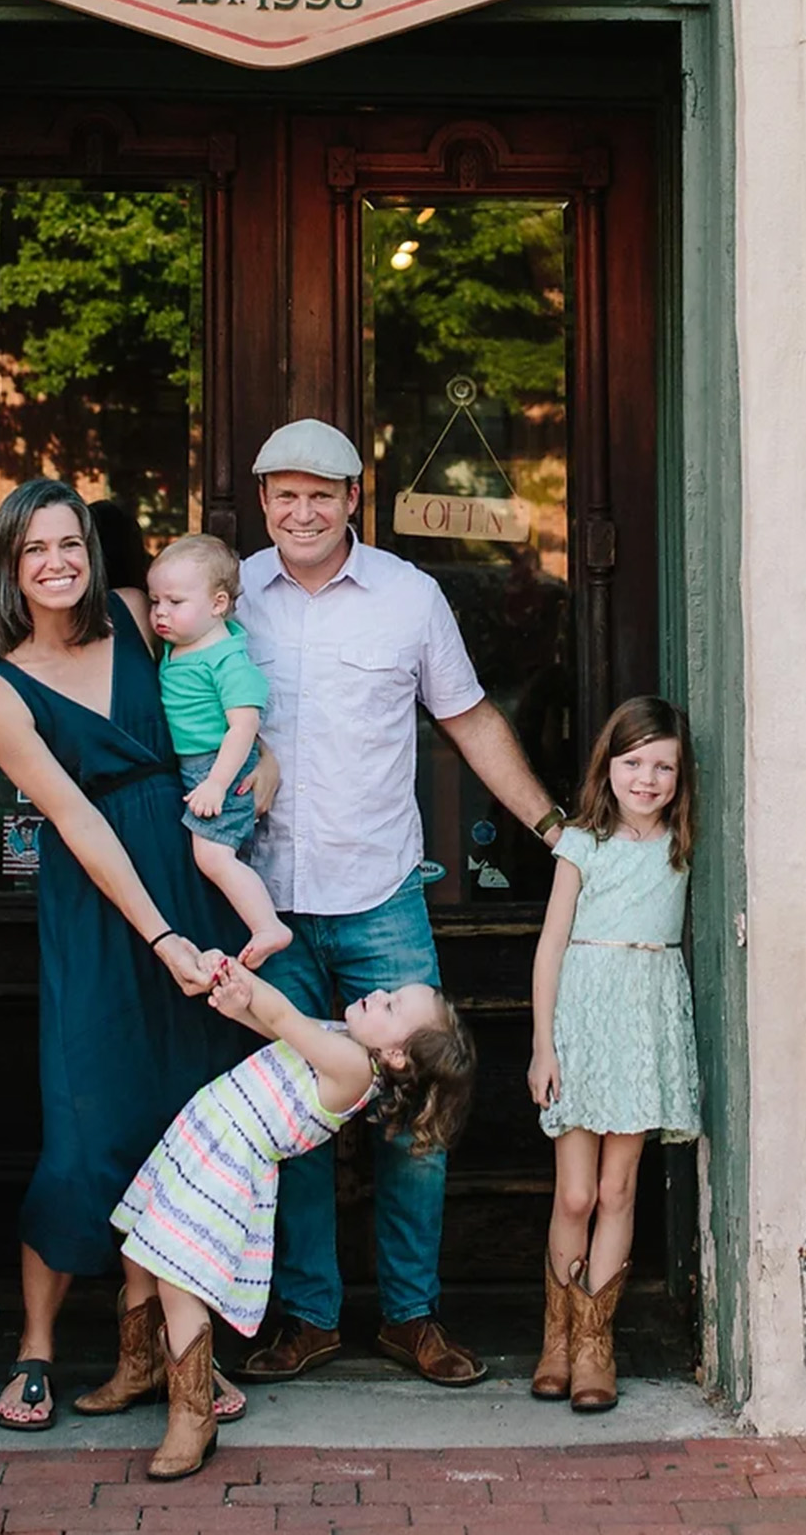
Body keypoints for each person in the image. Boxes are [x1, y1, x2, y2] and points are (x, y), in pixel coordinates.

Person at [235, 418, 566, 1386]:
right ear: (263, 502)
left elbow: (465, 717)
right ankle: (306, 1317)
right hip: (265, 907)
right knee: (292, 1116)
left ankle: (411, 1316)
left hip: (380, 897)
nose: (302, 511)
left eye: (321, 493)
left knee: (416, 1120)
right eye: (283, 493)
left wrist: (553, 828)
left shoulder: (409, 597)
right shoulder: (230, 595)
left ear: (353, 500)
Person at [0, 479, 257, 1431]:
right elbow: (75, 817)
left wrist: (255, 773)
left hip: (185, 869)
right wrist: (160, 934)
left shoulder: (141, 618)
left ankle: (172, 1352)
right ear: (9, 566)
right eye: (35, 549)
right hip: (102, 905)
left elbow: (223, 698)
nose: (58, 562)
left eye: (72, 544)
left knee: (186, 1121)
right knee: (85, 1126)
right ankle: (38, 1349)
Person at [111, 955, 475, 1480]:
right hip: (208, 1134)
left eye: (392, 1004)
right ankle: (139, 1367)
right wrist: (240, 1005)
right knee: (138, 1246)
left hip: (227, 1163)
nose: (378, 992)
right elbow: (276, 1027)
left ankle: (192, 1417)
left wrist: (242, 974)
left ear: (395, 1054)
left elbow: (283, 1019)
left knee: (177, 1283)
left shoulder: (353, 1070)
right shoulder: (342, 1041)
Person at [527, 696, 701, 1413]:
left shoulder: (680, 844)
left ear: (680, 775)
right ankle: (558, 1338)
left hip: (644, 1020)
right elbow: (550, 947)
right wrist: (543, 1045)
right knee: (574, 1192)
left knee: (618, 1189)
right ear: (609, 764)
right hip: (582, 1020)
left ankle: (598, 1342)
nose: (648, 778)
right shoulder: (580, 842)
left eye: (663, 766)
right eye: (634, 763)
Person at [147, 533, 292, 968]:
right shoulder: (180, 646)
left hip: (223, 771)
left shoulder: (228, 659)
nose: (160, 612)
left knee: (213, 856)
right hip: (199, 770)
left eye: (175, 602)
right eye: (155, 601)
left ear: (217, 604)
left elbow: (243, 726)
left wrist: (216, 783)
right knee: (214, 862)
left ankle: (269, 927)